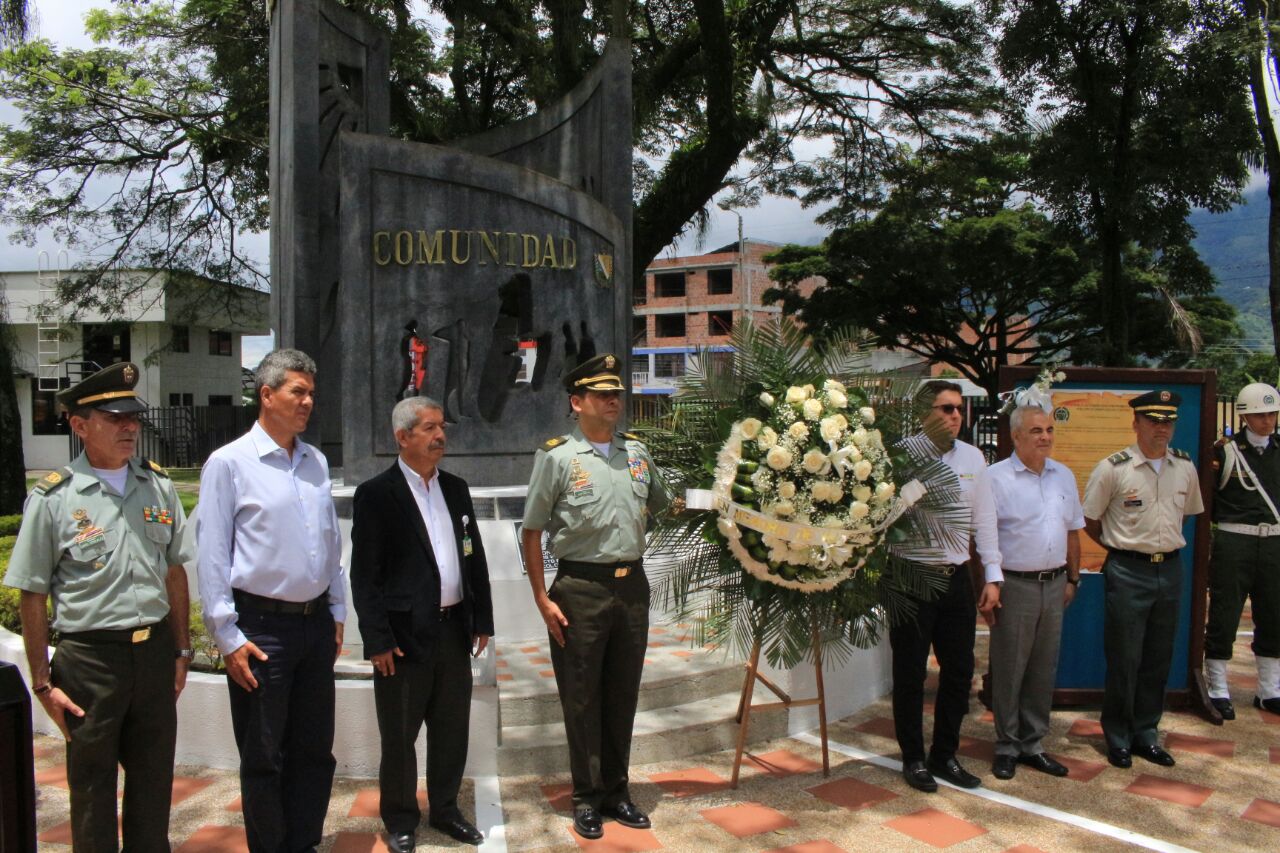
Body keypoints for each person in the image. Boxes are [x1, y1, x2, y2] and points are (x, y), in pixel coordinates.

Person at [4, 361, 192, 851]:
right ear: (80, 425)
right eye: (114, 418)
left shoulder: (158, 485)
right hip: (89, 661)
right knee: (92, 791)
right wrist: (42, 682)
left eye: (132, 417)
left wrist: (181, 651)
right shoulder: (54, 497)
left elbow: (174, 572)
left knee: (153, 782)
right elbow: (32, 592)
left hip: (152, 655)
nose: (130, 427)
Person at [197, 348, 346, 852]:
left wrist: (337, 610)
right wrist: (227, 635)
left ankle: (303, 843)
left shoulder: (315, 461)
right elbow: (212, 555)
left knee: (314, 751)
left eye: (311, 394)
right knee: (264, 756)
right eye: (297, 392)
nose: (307, 402)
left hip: (314, 625)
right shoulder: (229, 463)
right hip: (260, 629)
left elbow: (329, 543)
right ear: (266, 394)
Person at [521, 353, 670, 840]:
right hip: (579, 588)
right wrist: (542, 597)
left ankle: (617, 792)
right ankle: (586, 797)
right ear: (577, 402)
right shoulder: (558, 458)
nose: (613, 401)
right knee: (582, 697)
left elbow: (666, 505)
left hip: (632, 586)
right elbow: (532, 530)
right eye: (602, 394)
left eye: (616, 394)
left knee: (623, 693)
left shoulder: (637, 454)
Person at [349, 396, 493, 850]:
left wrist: (482, 619)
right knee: (400, 736)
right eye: (429, 428)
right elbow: (365, 576)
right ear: (402, 436)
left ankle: (446, 810)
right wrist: (377, 639)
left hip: (453, 631)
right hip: (403, 640)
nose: (440, 436)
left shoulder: (456, 488)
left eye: (441, 427)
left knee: (451, 730)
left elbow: (473, 557)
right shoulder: (377, 495)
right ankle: (400, 819)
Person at [1083, 389, 1204, 769]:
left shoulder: (1184, 467)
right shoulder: (1113, 469)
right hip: (1127, 570)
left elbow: (1186, 514)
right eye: (1153, 420)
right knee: (1125, 657)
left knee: (1157, 656)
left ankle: (1146, 732)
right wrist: (1124, 548)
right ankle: (1118, 735)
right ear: (1135, 423)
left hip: (1169, 569)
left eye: (1168, 421)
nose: (1161, 428)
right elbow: (1089, 520)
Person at [891, 380, 1002, 793]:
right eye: (946, 408)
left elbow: (984, 520)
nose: (956, 415)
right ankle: (913, 758)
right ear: (925, 413)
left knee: (959, 671)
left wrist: (992, 575)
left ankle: (944, 755)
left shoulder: (973, 457)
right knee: (910, 673)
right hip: (911, 577)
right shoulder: (900, 455)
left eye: (958, 408)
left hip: (956, 578)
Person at [986, 405, 1083, 780]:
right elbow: (985, 538)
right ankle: (1006, 746)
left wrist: (1073, 578)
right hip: (1015, 585)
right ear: (1015, 436)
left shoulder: (1064, 476)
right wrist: (990, 584)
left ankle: (1033, 743)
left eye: (1049, 430)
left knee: (1043, 668)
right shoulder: (996, 478)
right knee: (1010, 668)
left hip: (1055, 584)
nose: (1045, 437)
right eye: (1036, 431)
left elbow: (1072, 531)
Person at [1204, 382, 1280, 717]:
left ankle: (1269, 690)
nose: (1268, 421)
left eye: (1272, 414)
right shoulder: (1225, 452)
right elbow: (1209, 500)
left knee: (1274, 614)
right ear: (1245, 417)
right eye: (1261, 415)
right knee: (1225, 613)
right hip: (1235, 541)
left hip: (1274, 541)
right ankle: (1218, 687)